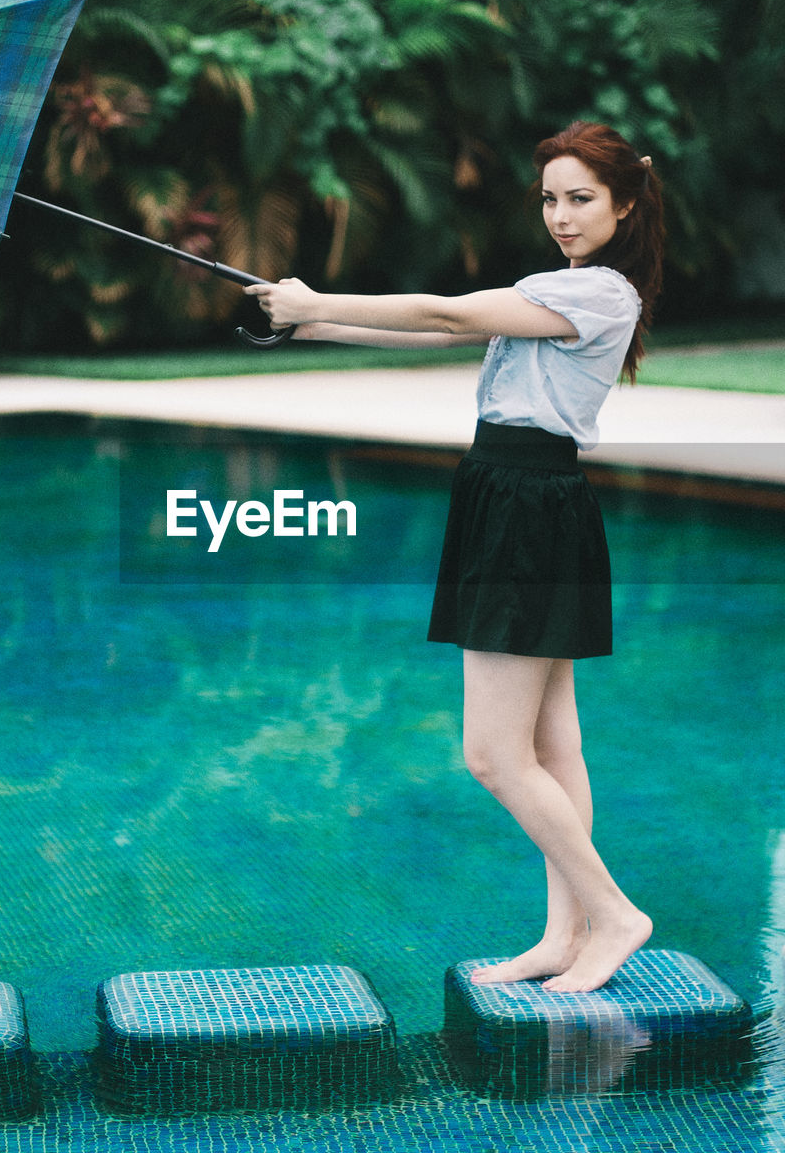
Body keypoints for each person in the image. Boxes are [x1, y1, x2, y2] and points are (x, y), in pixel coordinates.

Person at [245, 121, 663, 994]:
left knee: (494, 756)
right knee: (554, 744)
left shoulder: (602, 295)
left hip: (526, 508)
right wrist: (310, 321)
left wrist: (318, 296)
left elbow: (448, 311)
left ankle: (615, 915)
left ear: (624, 204)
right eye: (550, 198)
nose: (560, 214)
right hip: (518, 500)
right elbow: (445, 337)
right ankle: (564, 936)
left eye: (580, 198)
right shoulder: (565, 288)